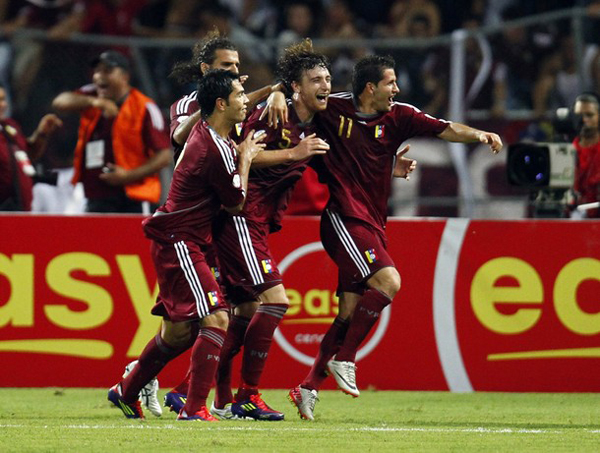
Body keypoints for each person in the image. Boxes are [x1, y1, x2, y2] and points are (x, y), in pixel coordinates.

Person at [288, 54, 502, 421]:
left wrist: (478, 135)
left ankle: (307, 386)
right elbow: (300, 105)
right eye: (391, 83)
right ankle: (345, 359)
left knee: (349, 313)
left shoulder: (399, 115)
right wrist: (279, 95)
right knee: (388, 280)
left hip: (372, 221)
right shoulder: (332, 109)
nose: (397, 89)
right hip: (343, 217)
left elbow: (445, 128)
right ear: (370, 87)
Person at [107, 69, 264, 421]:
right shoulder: (215, 148)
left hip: (180, 240)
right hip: (180, 241)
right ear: (221, 104)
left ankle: (126, 391)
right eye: (240, 95)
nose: (245, 101)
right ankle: (193, 409)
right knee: (217, 317)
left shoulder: (207, 134)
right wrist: (247, 158)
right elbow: (236, 202)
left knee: (178, 333)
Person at [161, 30, 288, 414]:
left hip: (214, 223)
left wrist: (271, 92)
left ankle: (204, 394)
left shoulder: (235, 107)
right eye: (225, 66)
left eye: (236, 65)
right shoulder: (190, 106)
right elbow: (180, 136)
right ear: (206, 70)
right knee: (187, 322)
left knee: (235, 309)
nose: (236, 71)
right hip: (197, 221)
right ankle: (153, 379)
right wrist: (221, 102)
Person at [207, 39, 330, 421]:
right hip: (240, 217)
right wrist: (293, 151)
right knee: (275, 301)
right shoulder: (275, 115)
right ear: (297, 87)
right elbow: (242, 150)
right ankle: (248, 395)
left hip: (256, 222)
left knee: (241, 314)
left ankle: (205, 394)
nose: (325, 86)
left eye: (327, 78)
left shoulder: (317, 120)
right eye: (316, 80)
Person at [52, 50, 171, 213]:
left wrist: (127, 176)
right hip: (97, 194)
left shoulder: (144, 107)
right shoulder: (91, 94)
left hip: (134, 197)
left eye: (107, 71)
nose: (99, 76)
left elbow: (164, 156)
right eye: (97, 71)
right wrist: (94, 102)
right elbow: (60, 102)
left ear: (124, 77)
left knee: (133, 239)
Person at [0, 83, 62, 211]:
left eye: (3, 99)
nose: (3, 105)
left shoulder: (9, 127)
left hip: (20, 210)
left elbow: (27, 156)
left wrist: (41, 134)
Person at [572, 92, 600, 218]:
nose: (584, 120)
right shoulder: (565, 150)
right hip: (570, 217)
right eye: (579, 115)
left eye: (589, 115)